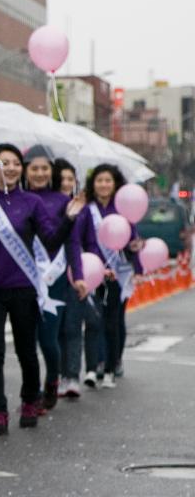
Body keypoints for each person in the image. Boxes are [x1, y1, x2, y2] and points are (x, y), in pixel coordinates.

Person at [0, 144, 80, 435]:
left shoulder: (32, 202)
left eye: (16, 162)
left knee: (26, 349)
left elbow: (52, 242)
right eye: (4, 163)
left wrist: (68, 218)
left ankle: (30, 400)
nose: (11, 167)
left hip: (23, 286)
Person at [75, 164, 143, 389]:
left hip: (118, 274)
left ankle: (113, 364)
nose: (103, 185)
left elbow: (133, 242)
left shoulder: (122, 209)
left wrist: (138, 265)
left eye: (108, 180)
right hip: (93, 271)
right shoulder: (87, 210)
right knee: (95, 320)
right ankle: (97, 365)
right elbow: (80, 240)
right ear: (93, 184)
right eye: (99, 180)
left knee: (113, 321)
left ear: (115, 184)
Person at [24, 146, 76, 411]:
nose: (40, 173)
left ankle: (52, 383)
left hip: (53, 278)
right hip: (23, 278)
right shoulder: (17, 199)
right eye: (34, 168)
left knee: (48, 337)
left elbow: (72, 243)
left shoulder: (62, 201)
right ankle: (31, 394)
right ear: (26, 170)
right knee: (28, 340)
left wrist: (77, 275)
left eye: (45, 168)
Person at [54, 159, 90, 399]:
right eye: (62, 178)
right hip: (50, 276)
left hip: (76, 273)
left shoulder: (83, 210)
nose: (66, 183)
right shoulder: (46, 206)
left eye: (70, 179)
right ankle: (56, 376)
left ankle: (72, 376)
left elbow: (82, 243)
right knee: (53, 332)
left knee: (73, 328)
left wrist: (81, 274)